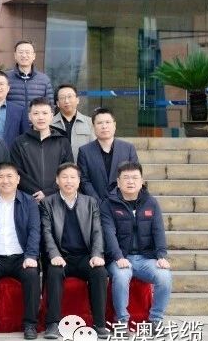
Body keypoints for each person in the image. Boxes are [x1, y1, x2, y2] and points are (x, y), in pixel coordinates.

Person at [40, 163, 109, 339]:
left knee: (100, 272)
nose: (68, 181)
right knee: (53, 272)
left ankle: (100, 324)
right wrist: (54, 255)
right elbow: (46, 232)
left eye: (73, 177)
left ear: (79, 181)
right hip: (61, 257)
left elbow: (97, 231)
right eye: (64, 177)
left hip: (85, 257)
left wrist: (96, 254)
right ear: (57, 180)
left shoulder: (90, 202)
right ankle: (52, 324)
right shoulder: (48, 203)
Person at [0, 162, 41, 339]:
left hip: (21, 257)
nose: (5, 181)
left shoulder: (29, 202)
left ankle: (30, 324)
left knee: (32, 274)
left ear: (18, 179)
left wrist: (31, 255)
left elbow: (35, 231)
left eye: (10, 176)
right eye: (1, 177)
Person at [101, 161, 172, 326]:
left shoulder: (151, 203)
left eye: (135, 177)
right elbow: (108, 234)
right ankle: (121, 321)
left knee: (165, 276)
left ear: (142, 181)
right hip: (119, 258)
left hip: (145, 259)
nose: (130, 181)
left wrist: (161, 256)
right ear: (118, 182)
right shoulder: (108, 204)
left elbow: (158, 231)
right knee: (121, 276)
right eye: (126, 178)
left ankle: (155, 320)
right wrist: (118, 257)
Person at [11, 97, 74, 200]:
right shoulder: (19, 142)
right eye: (36, 113)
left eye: (45, 113)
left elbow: (68, 171)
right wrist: (36, 192)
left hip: (57, 198)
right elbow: (16, 172)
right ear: (29, 116)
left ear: (51, 116)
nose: (41, 117)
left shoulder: (62, 142)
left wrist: (47, 192)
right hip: (29, 199)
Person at [78, 107, 139, 201]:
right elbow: (84, 181)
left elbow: (134, 176)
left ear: (114, 125)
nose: (104, 126)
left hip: (123, 203)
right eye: (99, 123)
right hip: (95, 204)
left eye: (108, 122)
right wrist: (97, 202)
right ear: (93, 127)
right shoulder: (84, 151)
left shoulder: (128, 149)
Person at [0, 70, 30, 148]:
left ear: (8, 88)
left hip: (12, 153)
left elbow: (25, 137)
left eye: (1, 84)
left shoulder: (20, 110)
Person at [51, 84, 95, 160]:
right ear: (57, 103)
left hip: (82, 166)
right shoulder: (50, 123)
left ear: (77, 100)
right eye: (62, 97)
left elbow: (95, 148)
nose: (66, 101)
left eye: (69, 96)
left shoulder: (90, 122)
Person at [6, 40, 54, 109]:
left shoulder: (44, 80)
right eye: (21, 52)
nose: (24, 55)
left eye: (27, 52)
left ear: (34, 56)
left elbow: (50, 106)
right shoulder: (6, 78)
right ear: (15, 55)